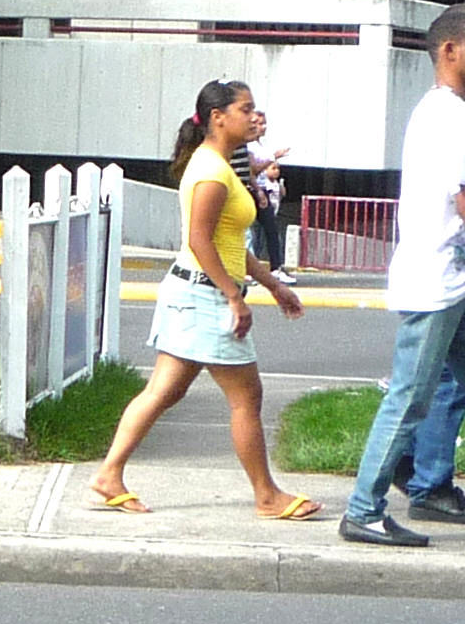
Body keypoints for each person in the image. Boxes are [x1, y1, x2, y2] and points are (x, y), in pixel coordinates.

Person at [85, 80, 315, 519]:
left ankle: (108, 475)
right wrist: (234, 297)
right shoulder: (211, 171)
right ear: (218, 117)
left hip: (192, 293)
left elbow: (231, 243)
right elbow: (200, 239)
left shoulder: (220, 165)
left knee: (163, 391)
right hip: (204, 297)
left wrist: (271, 283)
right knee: (246, 397)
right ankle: (266, 496)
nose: (253, 117)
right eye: (245, 109)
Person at [341, 3, 465, 548]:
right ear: (448, 51)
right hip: (435, 280)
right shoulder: (453, 116)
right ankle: (363, 510)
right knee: (411, 397)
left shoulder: (449, 111)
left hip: (455, 281)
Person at [394, 38, 465, 525]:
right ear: (450, 49)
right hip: (456, 269)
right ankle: (425, 483)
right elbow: (464, 200)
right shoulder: (453, 113)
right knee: (441, 384)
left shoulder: (460, 109)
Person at [246, 110, 294, 283]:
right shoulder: (247, 145)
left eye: (264, 123)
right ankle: (250, 268)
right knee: (250, 232)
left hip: (260, 188)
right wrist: (273, 157)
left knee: (270, 229)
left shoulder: (259, 145)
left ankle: (275, 267)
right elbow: (253, 168)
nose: (262, 127)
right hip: (249, 190)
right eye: (259, 123)